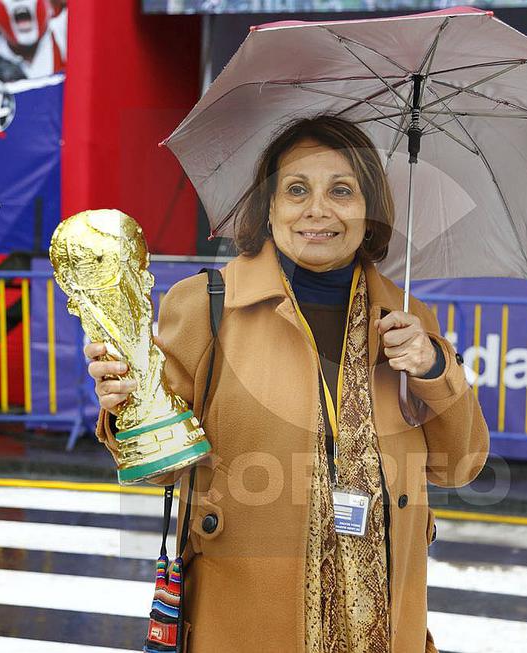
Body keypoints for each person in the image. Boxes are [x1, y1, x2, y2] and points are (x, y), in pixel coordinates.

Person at [84, 115, 490, 653]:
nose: (317, 209)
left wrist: (433, 368)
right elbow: (162, 467)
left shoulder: (406, 318)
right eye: (296, 189)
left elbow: (459, 465)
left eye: (341, 191)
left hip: (382, 627)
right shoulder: (206, 305)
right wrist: (126, 404)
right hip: (243, 622)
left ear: (369, 210)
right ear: (268, 207)